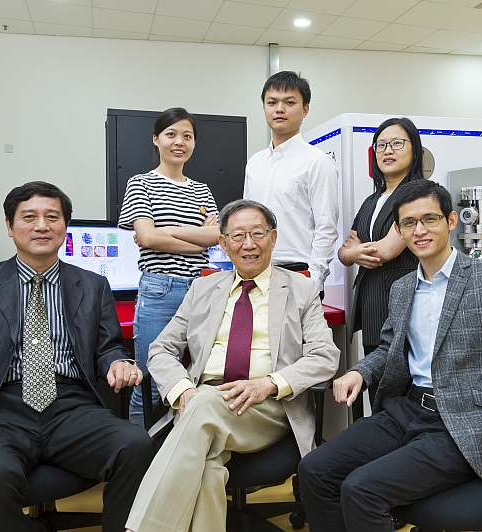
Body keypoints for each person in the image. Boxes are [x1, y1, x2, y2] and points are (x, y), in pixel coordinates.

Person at [0, 181, 154, 532]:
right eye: (29, 217)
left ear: (65, 227)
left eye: (52, 217)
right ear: (9, 227)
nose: (42, 226)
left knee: (137, 445)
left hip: (71, 407)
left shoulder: (92, 285)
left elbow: (108, 346)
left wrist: (117, 362)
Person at [298, 180, 482, 532]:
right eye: (409, 223)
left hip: (463, 421)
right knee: (315, 470)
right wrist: (360, 372)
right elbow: (388, 349)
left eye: (430, 219)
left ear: (451, 221)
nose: (420, 230)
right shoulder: (401, 288)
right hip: (407, 410)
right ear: (398, 230)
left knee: (361, 489)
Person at [125, 199, 340, 532]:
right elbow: (161, 349)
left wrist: (269, 383)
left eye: (257, 233)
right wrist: (183, 391)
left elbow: (325, 356)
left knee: (206, 404)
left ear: (273, 238)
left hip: (268, 405)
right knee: (208, 464)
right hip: (201, 403)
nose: (248, 244)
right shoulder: (203, 288)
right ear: (222, 243)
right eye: (238, 236)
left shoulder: (301, 288)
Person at [118, 107, 220, 427]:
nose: (180, 142)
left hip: (202, 289)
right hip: (160, 287)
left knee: (198, 378)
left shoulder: (201, 189)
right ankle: (140, 461)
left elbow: (216, 237)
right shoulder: (141, 183)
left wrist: (164, 233)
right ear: (156, 139)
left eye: (187, 136)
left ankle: (180, 451)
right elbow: (146, 236)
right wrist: (195, 240)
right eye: (171, 134)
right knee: (149, 381)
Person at [243, 71, 339, 295]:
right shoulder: (255, 163)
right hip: (253, 273)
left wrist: (314, 280)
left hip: (298, 274)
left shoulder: (317, 162)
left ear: (305, 109)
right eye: (272, 102)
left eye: (289, 102)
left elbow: (327, 227)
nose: (279, 109)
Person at [339, 117, 425, 356]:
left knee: (401, 386)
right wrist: (351, 252)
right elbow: (344, 252)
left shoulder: (417, 195)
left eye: (397, 143)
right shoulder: (372, 200)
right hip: (372, 307)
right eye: (381, 145)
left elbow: (387, 250)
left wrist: (355, 251)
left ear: (415, 151)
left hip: (403, 306)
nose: (388, 151)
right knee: (376, 384)